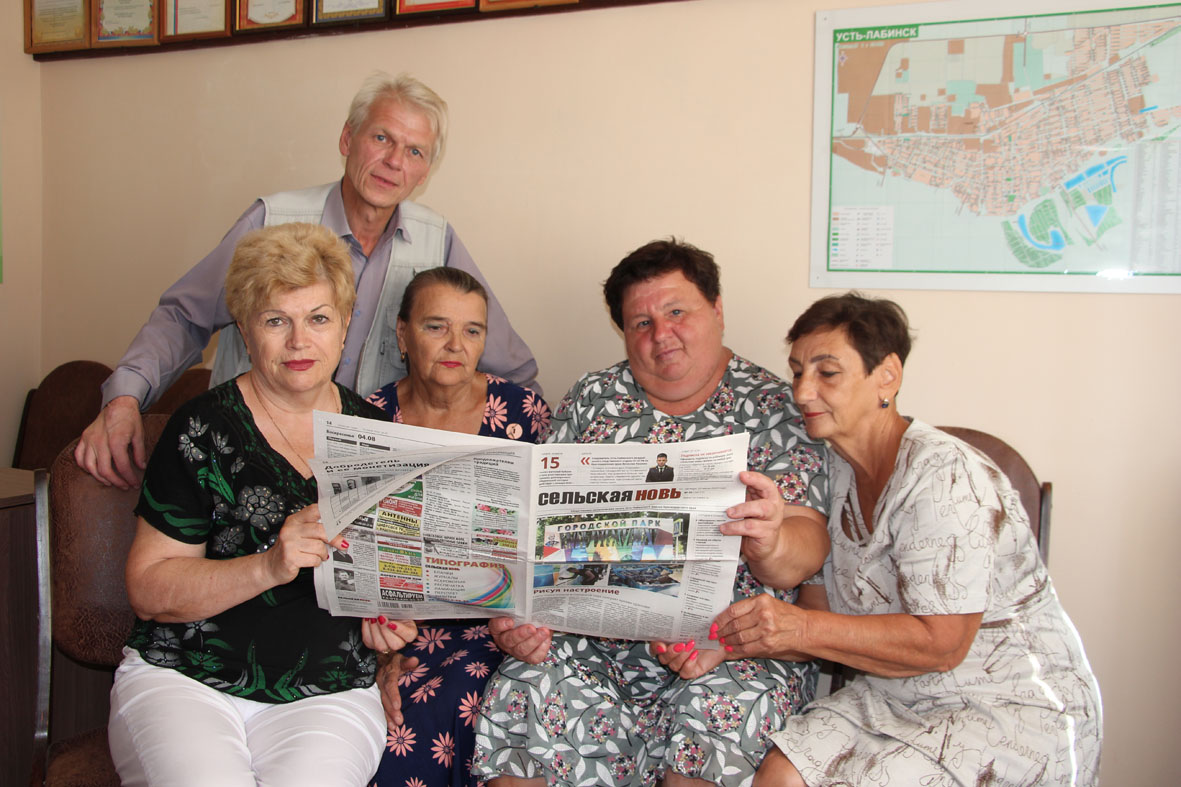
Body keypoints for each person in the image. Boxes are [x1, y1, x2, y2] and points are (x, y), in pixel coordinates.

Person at [473, 239, 831, 787]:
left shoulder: (775, 406)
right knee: (525, 686)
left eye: (677, 312)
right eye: (641, 322)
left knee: (718, 716)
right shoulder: (593, 397)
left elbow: (805, 550)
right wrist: (515, 616)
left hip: (730, 648)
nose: (661, 334)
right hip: (590, 646)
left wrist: (773, 540)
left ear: (717, 309)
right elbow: (531, 528)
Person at [76, 72, 538, 491]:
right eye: (382, 138)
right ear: (348, 138)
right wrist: (124, 399)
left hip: (367, 474)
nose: (395, 161)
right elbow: (184, 317)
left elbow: (503, 363)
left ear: (425, 171)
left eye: (414, 151)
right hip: (255, 459)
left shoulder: (437, 239)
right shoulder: (271, 220)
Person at [724, 292, 1102, 786]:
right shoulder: (831, 471)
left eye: (827, 373)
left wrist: (798, 628)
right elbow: (818, 618)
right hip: (892, 695)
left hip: (1002, 708)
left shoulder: (944, 474)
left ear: (887, 375)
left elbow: (942, 644)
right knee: (780, 776)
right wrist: (730, 641)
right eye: (797, 372)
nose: (802, 392)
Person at [108, 223, 417, 786]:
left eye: (318, 318)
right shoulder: (200, 428)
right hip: (185, 679)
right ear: (246, 332)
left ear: (346, 325)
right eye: (276, 320)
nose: (299, 341)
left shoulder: (381, 437)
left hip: (329, 693)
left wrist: (388, 629)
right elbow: (148, 590)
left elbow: (388, 590)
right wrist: (269, 565)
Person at [364, 267, 551, 787]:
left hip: (497, 624)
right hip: (397, 627)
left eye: (472, 330)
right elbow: (352, 554)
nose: (455, 345)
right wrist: (383, 651)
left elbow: (549, 535)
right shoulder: (368, 419)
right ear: (403, 335)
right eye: (436, 327)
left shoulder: (524, 413)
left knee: (464, 705)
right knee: (390, 726)